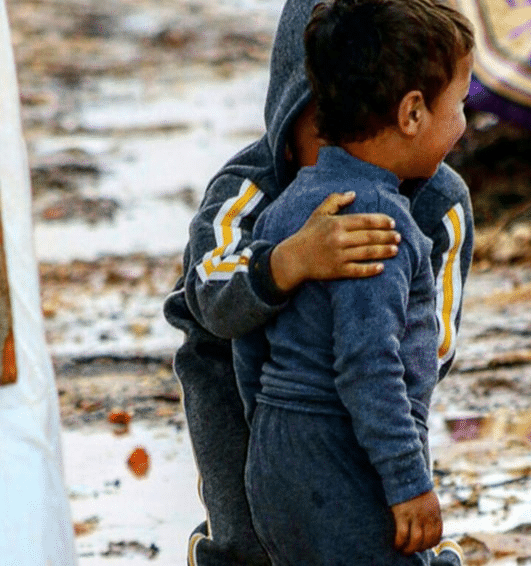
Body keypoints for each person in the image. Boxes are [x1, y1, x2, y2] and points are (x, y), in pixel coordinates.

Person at [162, 0, 474, 564]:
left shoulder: (438, 201)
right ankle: (232, 544)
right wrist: (287, 263)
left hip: (363, 401)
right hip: (241, 391)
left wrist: (399, 472)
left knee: (371, 531)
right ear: (292, 105)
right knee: (252, 543)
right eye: (329, 116)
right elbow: (209, 297)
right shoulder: (250, 190)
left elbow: (427, 350)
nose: (342, 139)